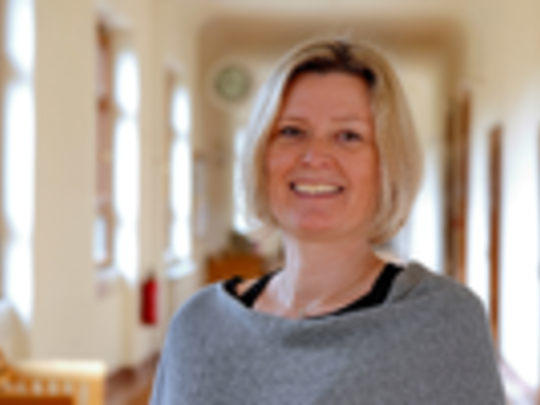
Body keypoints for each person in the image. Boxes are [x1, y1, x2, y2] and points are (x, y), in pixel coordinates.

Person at [151, 38, 505, 404]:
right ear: (261, 155)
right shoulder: (197, 323)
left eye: (348, 136)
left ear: (387, 163)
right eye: (291, 131)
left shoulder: (443, 320)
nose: (315, 156)